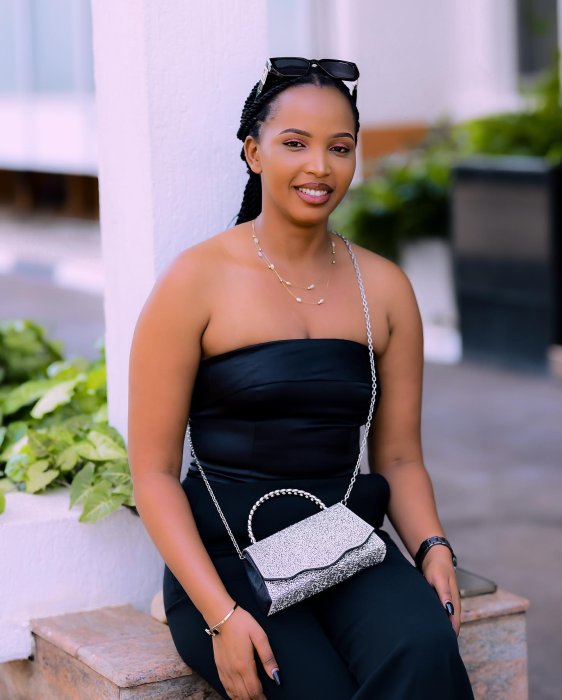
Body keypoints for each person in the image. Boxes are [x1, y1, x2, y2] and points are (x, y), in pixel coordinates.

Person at [128, 57, 475, 700]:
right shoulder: (194, 282)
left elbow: (399, 457)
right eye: (295, 144)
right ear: (253, 153)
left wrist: (432, 546)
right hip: (225, 559)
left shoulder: (385, 288)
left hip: (342, 545)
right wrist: (220, 615)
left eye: (339, 148)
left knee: (424, 652)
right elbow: (152, 473)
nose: (319, 166)